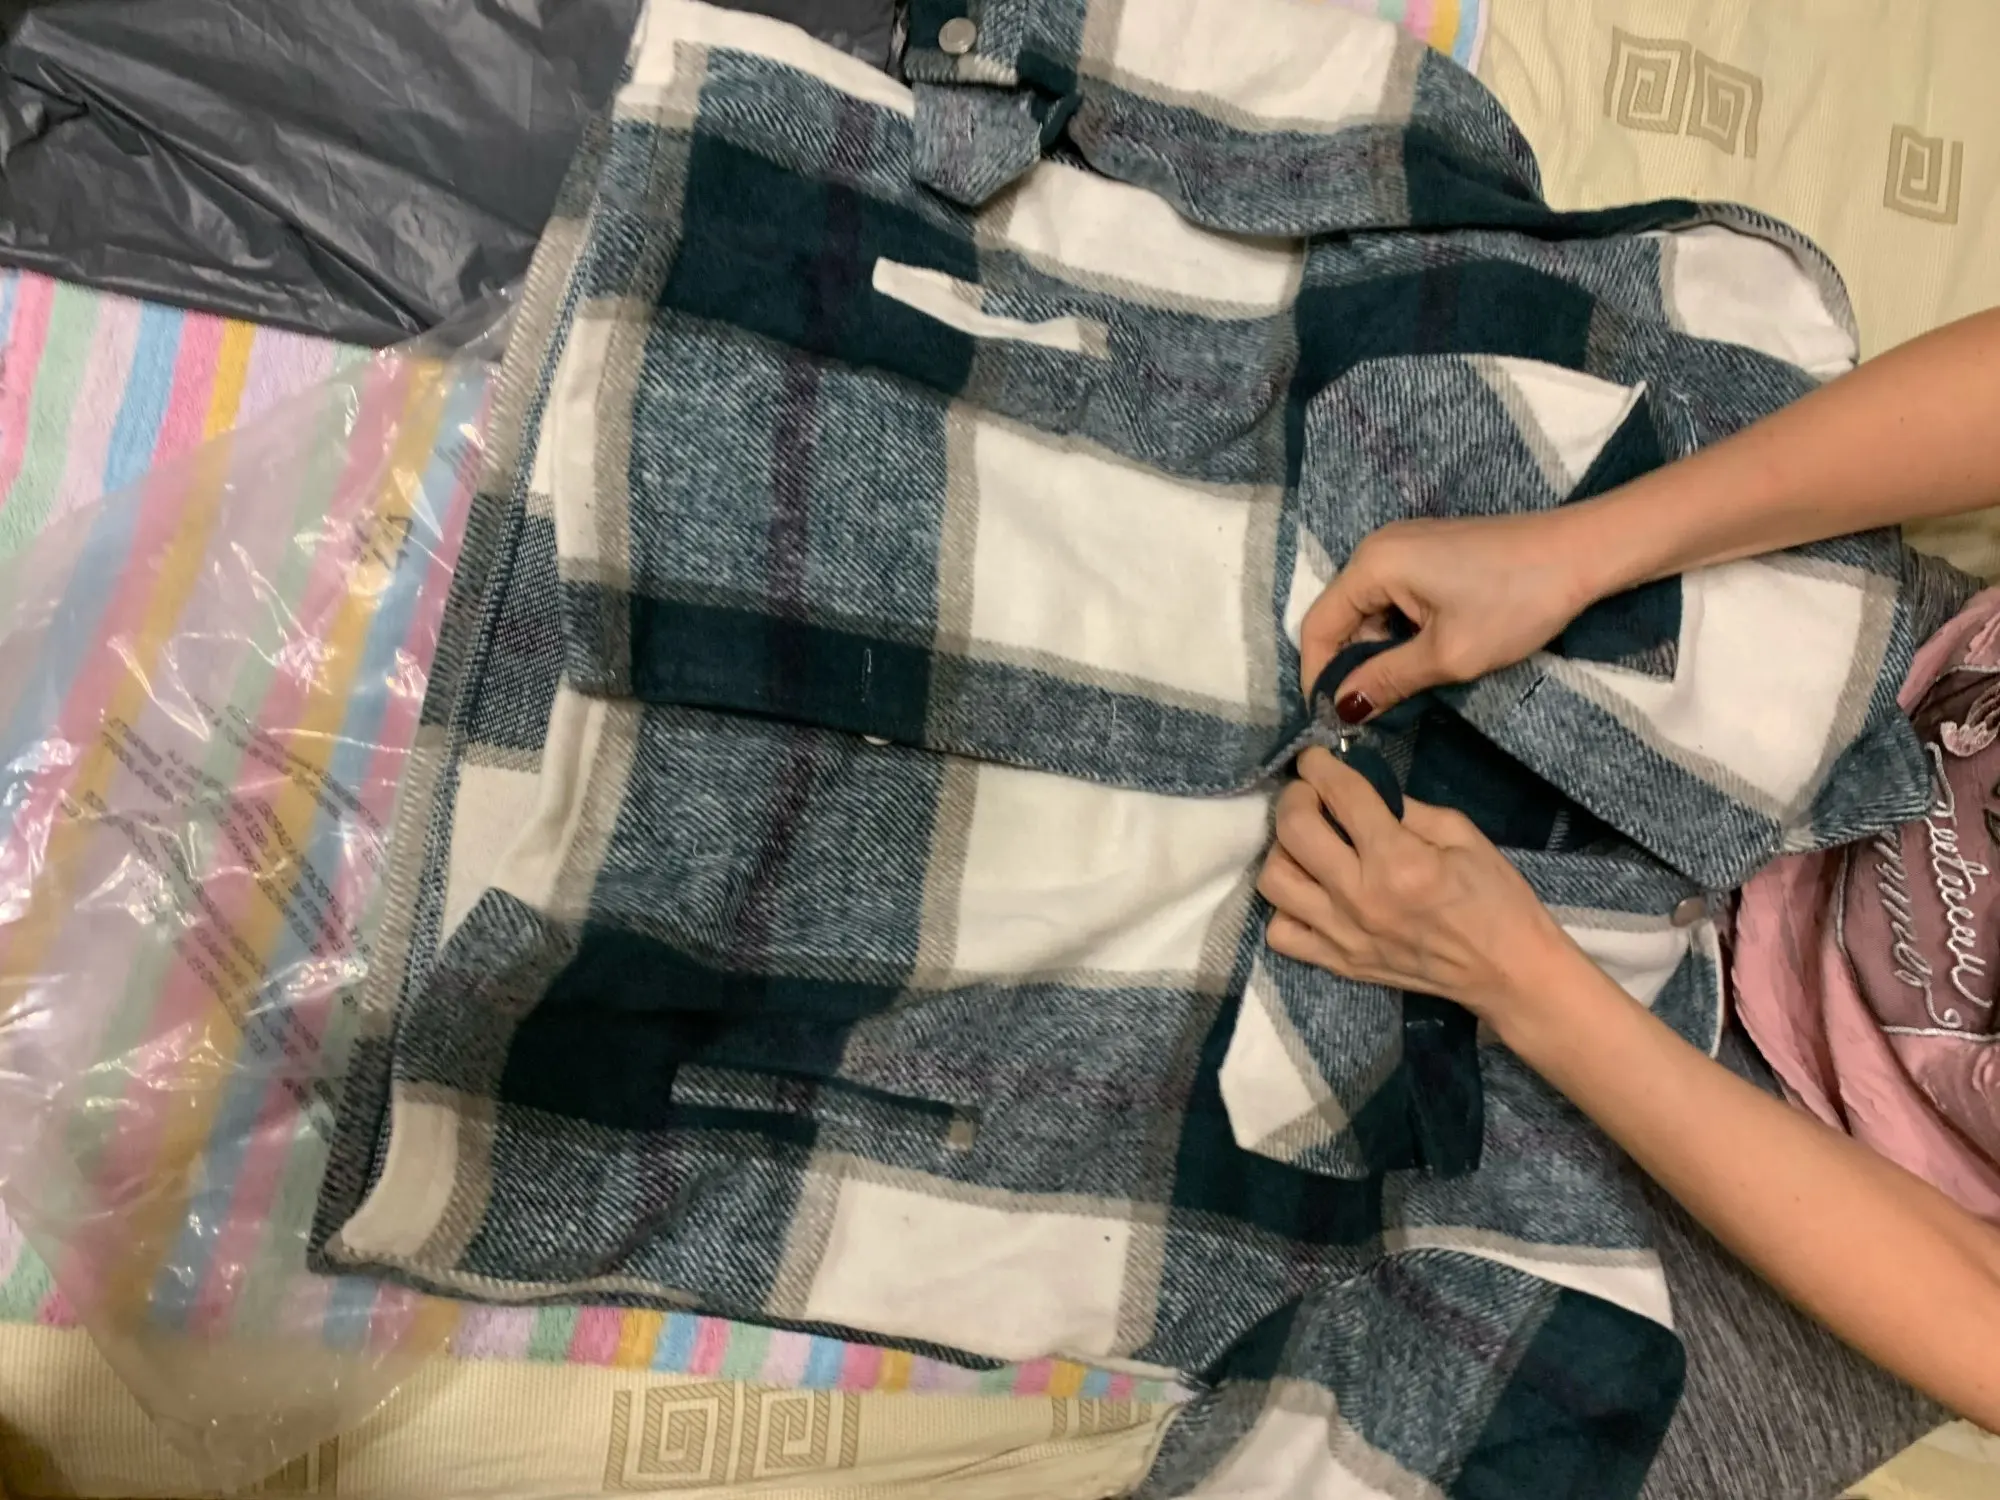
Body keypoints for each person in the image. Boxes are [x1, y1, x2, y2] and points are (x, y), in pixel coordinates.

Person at [1264, 308, 2000, 1433]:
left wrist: (1526, 987)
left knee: (1450, 1419)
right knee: (1366, 444)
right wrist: (1580, 549)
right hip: (1889, 690)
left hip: (1848, 1194)